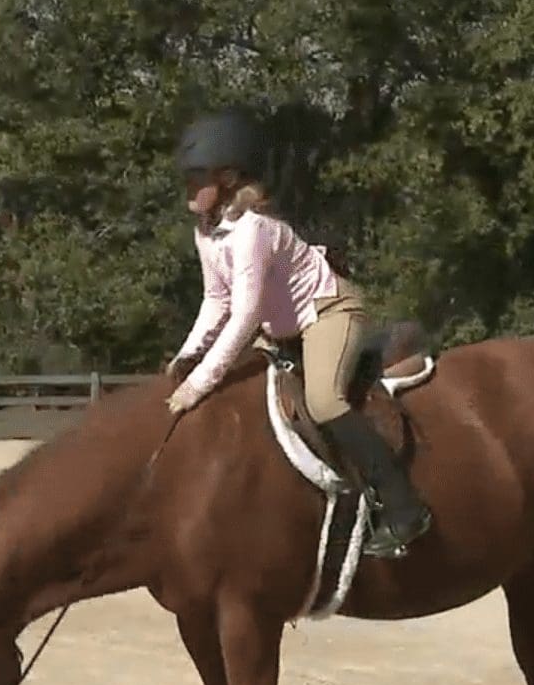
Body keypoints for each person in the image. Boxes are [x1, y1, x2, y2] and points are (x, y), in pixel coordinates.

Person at [163, 108, 432, 558]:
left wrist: (197, 384)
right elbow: (216, 301)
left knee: (324, 402)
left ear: (228, 177)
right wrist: (185, 358)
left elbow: (245, 315)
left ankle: (405, 510)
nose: (188, 187)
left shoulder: (255, 231)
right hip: (281, 327)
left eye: (197, 177)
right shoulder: (206, 233)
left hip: (328, 312)